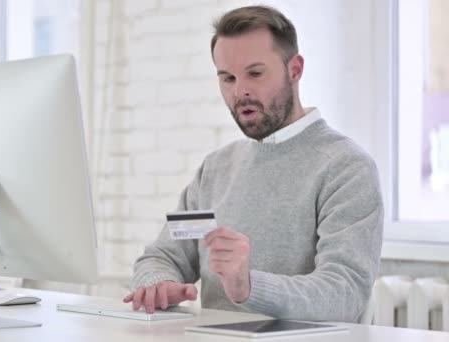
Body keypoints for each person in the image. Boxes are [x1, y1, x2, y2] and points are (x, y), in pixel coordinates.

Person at [122, 5, 383, 323]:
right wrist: (157, 285)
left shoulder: (347, 168)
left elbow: (344, 294)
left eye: (255, 73)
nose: (240, 91)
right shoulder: (216, 169)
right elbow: (163, 255)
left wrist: (249, 286)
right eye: (227, 78)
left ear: (295, 70)